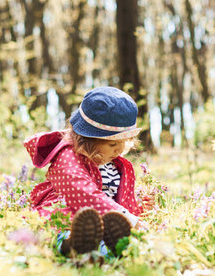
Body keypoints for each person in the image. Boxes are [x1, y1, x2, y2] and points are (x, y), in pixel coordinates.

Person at [23, 86, 152, 255]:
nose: (119, 150)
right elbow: (84, 193)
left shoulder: (115, 164)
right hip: (65, 217)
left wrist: (140, 210)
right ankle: (71, 245)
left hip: (102, 223)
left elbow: (119, 200)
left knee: (121, 242)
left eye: (124, 142)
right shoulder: (68, 156)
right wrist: (127, 216)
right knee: (61, 230)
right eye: (112, 144)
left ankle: (109, 248)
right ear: (88, 139)